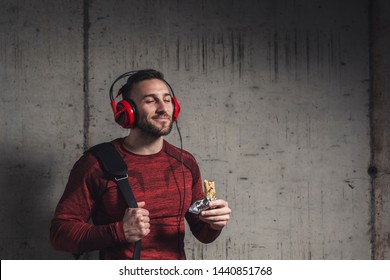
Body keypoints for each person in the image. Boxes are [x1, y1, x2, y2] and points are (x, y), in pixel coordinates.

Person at [50, 69, 231, 259]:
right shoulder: (95, 164)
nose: (163, 108)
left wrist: (213, 224)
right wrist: (119, 231)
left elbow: (202, 233)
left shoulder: (185, 162)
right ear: (128, 110)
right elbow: (59, 234)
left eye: (167, 100)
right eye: (151, 101)